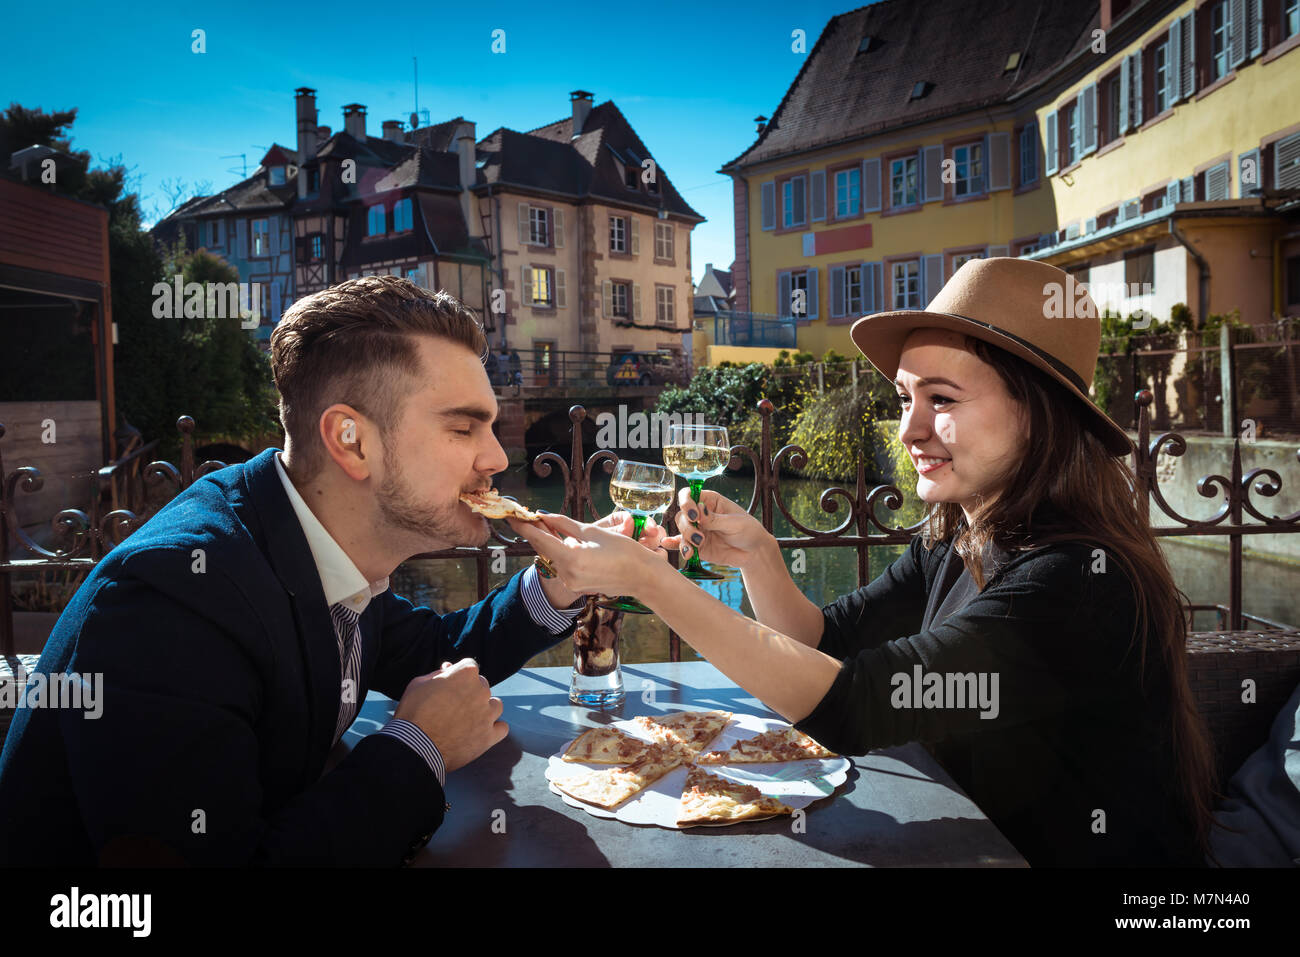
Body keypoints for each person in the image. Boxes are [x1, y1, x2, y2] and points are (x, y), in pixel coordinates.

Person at [508, 257, 1219, 867]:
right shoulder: (955, 537)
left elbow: (852, 703)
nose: (907, 429)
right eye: (905, 396)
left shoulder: (1077, 584)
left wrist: (650, 581)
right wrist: (760, 557)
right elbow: (824, 643)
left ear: (1039, 414)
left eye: (941, 399)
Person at [0, 276, 660, 866]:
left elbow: (429, 651)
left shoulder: (304, 529)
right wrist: (417, 745)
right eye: (464, 429)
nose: (496, 456)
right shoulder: (174, 601)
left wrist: (559, 582)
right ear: (351, 440)